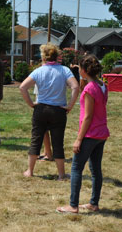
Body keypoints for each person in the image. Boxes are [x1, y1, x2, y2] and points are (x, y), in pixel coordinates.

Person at [19, 43, 80, 180]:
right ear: (56, 55)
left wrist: (31, 104)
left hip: (40, 109)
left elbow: (23, 87)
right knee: (58, 142)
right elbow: (75, 87)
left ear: (43, 57)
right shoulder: (64, 70)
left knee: (36, 140)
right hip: (58, 110)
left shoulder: (38, 71)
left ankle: (30, 171)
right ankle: (61, 174)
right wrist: (70, 105)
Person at [56, 54, 107, 213]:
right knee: (95, 169)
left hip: (90, 135)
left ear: (84, 71)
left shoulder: (89, 89)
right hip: (101, 133)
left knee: (76, 168)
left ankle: (73, 205)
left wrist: (79, 139)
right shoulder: (102, 85)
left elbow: (88, 116)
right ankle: (93, 203)